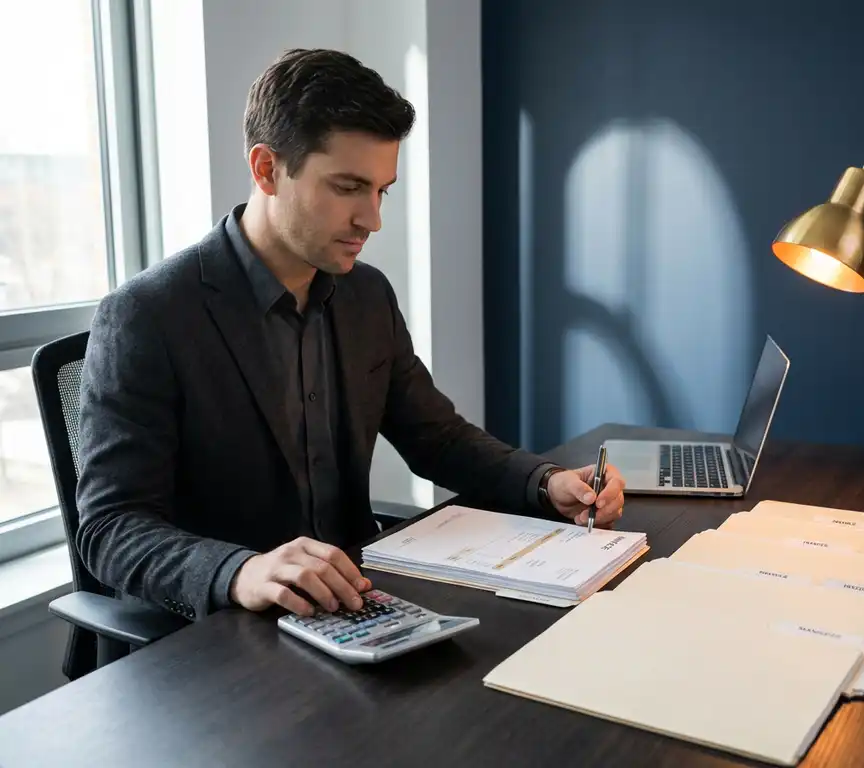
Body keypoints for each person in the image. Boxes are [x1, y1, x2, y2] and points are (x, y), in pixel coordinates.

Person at [76, 48, 625, 625]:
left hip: (355, 607)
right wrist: (241, 570)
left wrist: (546, 483)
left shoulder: (365, 295)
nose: (372, 219)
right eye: (347, 188)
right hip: (220, 638)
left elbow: (436, 438)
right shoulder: (148, 314)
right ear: (266, 169)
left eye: (381, 190)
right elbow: (112, 528)